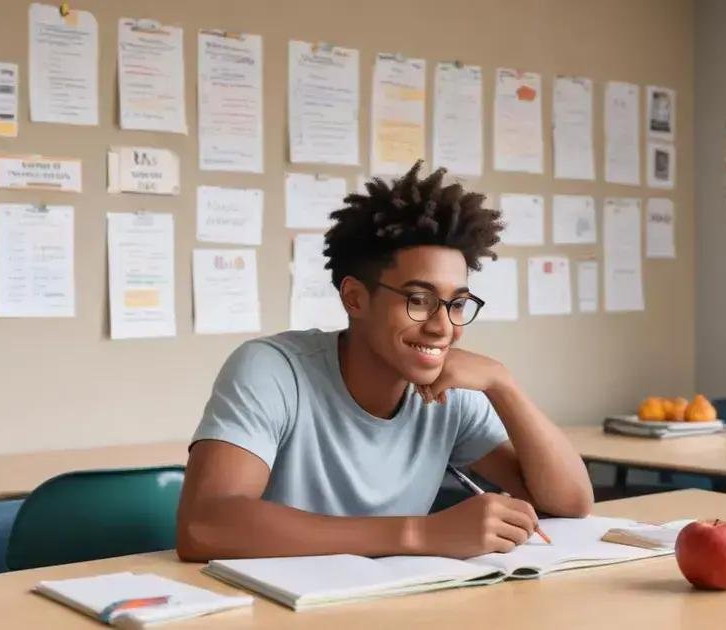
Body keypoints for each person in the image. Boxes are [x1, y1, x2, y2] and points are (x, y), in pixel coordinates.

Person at [177, 162, 593, 562]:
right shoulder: (273, 370)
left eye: (458, 304)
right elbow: (205, 525)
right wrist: (421, 533)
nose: (442, 326)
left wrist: (504, 385)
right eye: (418, 300)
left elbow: (570, 502)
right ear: (355, 298)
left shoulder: (448, 392)